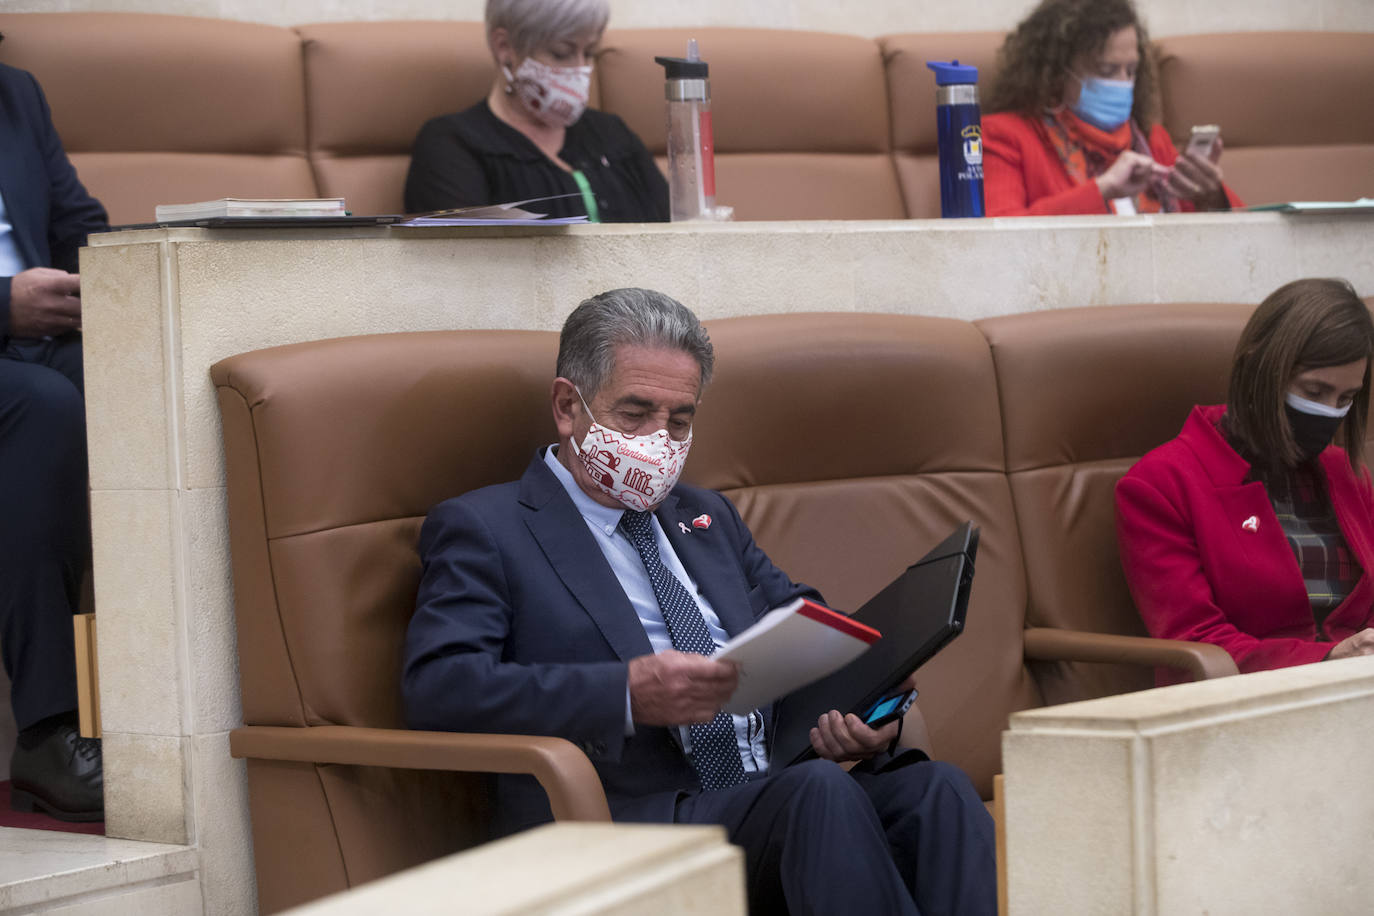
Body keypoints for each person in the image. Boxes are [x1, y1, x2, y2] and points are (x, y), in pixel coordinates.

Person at [404, 288, 996, 915]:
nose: (659, 441)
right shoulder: (486, 527)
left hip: (768, 797)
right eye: (635, 413)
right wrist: (623, 694)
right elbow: (439, 687)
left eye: (679, 420)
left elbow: (804, 625)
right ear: (567, 406)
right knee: (816, 795)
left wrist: (867, 708)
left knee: (934, 789)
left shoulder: (705, 515)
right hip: (627, 821)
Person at [1117, 278, 1374, 678]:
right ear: (1260, 369)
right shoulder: (1160, 485)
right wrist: (1325, 659)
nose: (1330, 414)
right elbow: (1196, 638)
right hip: (1244, 706)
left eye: (1345, 399)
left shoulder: (1346, 472)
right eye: (1314, 391)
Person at [0, 48, 110, 822]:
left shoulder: (16, 94)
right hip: (16, 354)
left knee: (135, 382)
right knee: (42, 406)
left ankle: (183, 700)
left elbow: (80, 227)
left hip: (36, 340)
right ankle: (48, 728)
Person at [404, 0, 669, 222]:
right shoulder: (452, 144)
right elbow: (459, 265)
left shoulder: (612, 133)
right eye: (561, 53)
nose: (579, 69)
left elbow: (674, 233)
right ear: (505, 48)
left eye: (589, 53)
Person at [982, 0, 1243, 217]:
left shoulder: (1151, 141)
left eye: (1131, 71)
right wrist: (1102, 189)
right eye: (1106, 71)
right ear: (1057, 73)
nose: (1123, 83)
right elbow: (1000, 235)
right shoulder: (1006, 136)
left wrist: (1209, 196)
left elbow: (1243, 237)